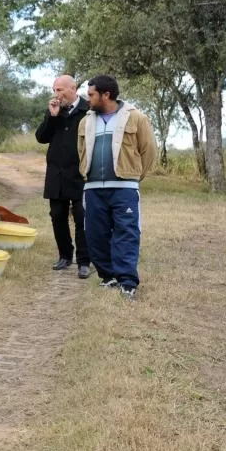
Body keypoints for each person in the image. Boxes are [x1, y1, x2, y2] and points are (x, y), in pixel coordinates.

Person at [77, 75, 155, 301]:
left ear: (106, 95)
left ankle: (127, 282)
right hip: (92, 189)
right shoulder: (86, 121)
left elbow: (148, 151)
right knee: (94, 234)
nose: (87, 98)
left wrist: (133, 178)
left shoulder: (136, 117)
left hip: (124, 188)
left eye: (91, 94)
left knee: (126, 232)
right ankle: (107, 276)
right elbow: (81, 150)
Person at [35, 74, 91, 278]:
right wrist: (52, 116)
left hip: (80, 174)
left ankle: (84, 261)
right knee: (57, 216)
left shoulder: (88, 110)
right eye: (54, 90)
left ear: (73, 88)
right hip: (56, 174)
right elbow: (41, 137)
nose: (56, 94)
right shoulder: (54, 110)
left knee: (82, 217)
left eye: (60, 90)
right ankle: (65, 255)